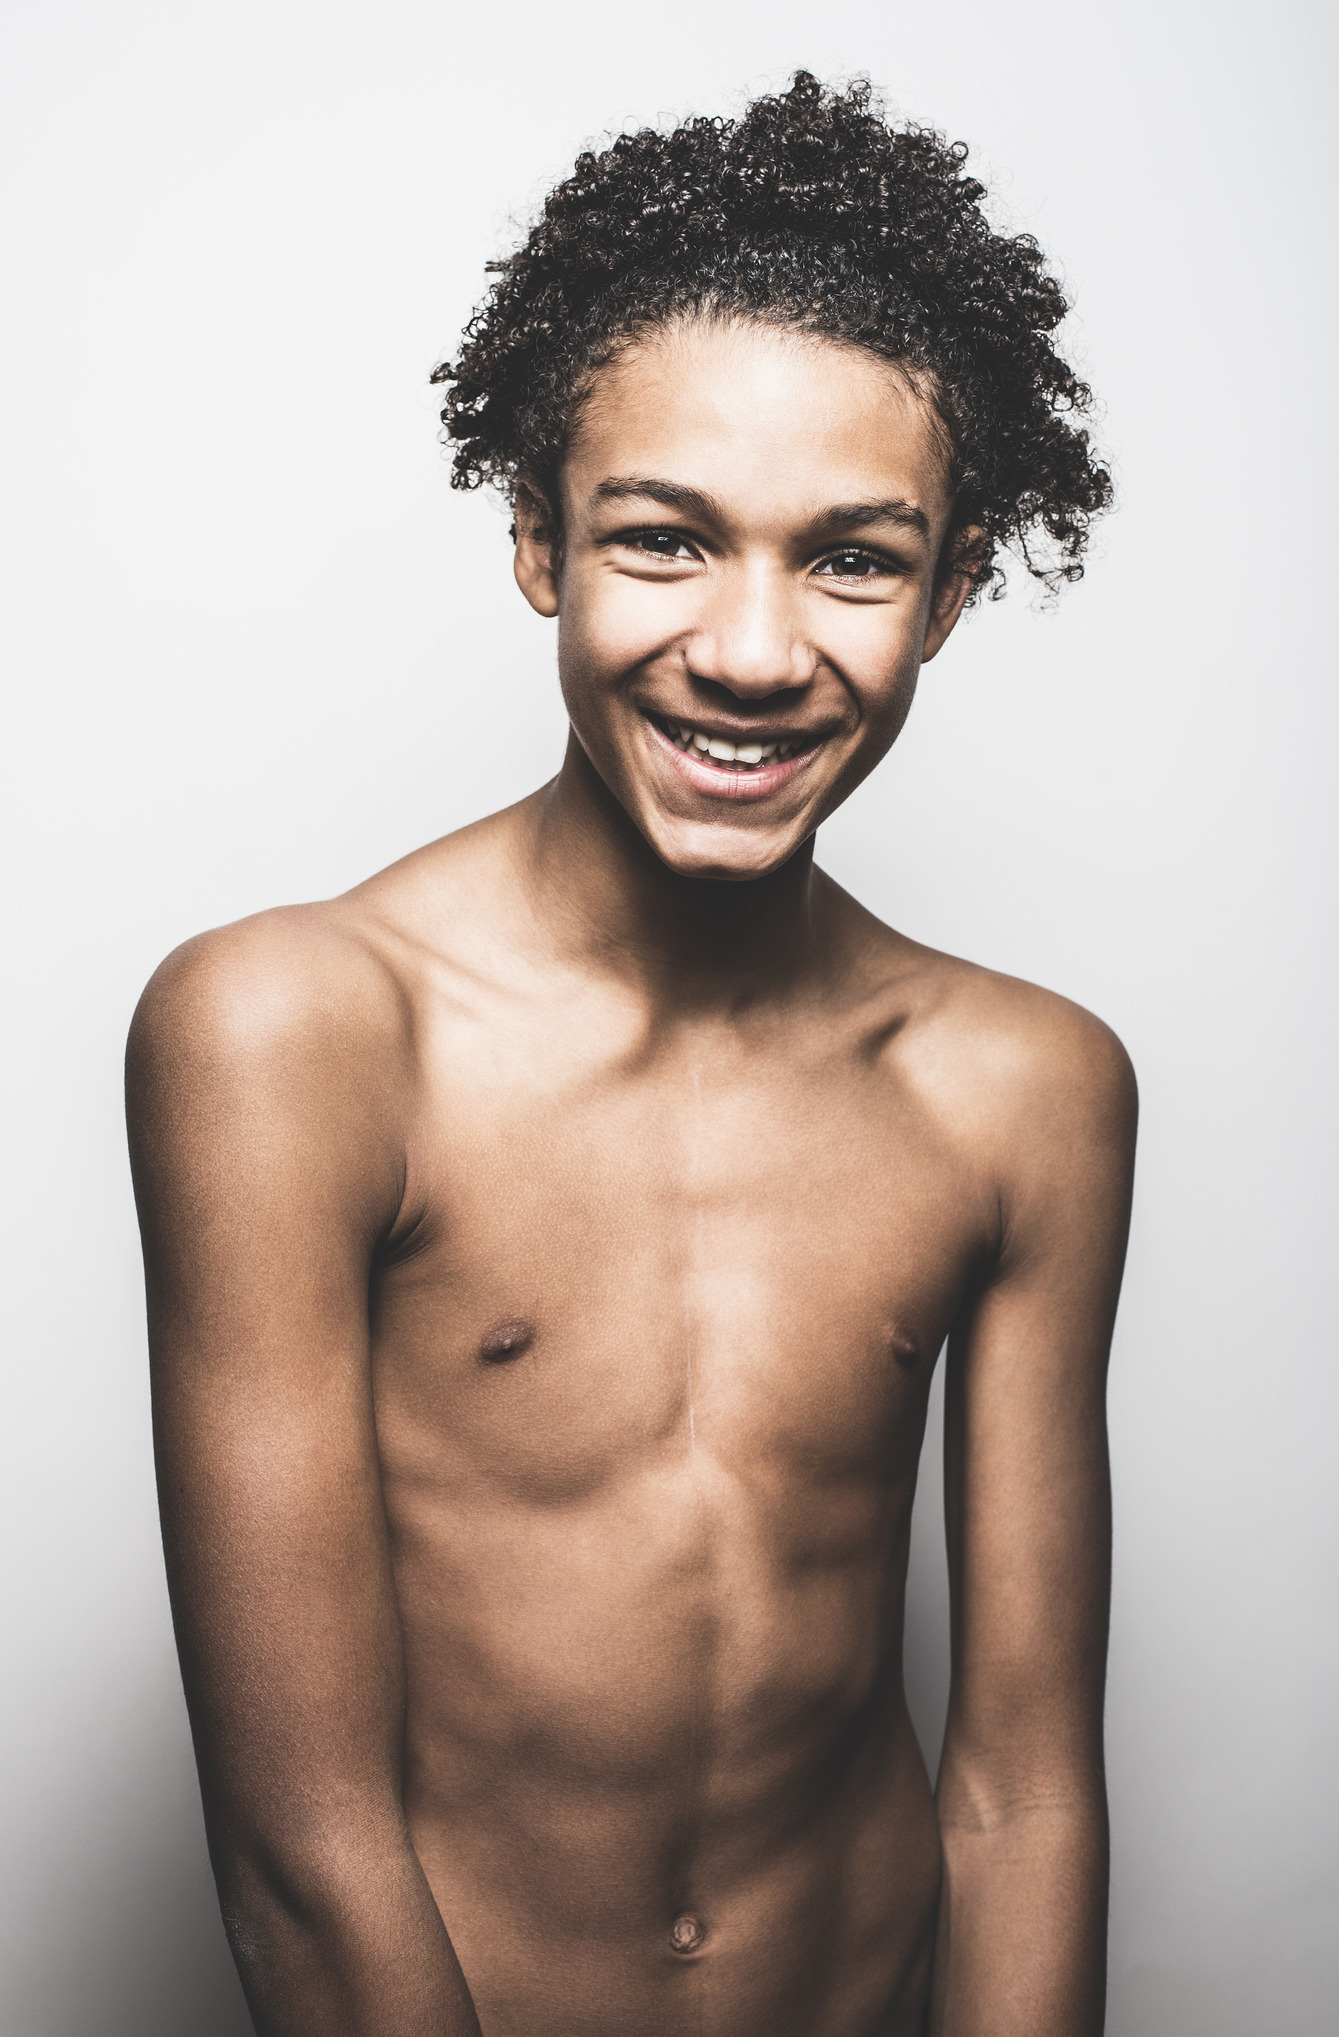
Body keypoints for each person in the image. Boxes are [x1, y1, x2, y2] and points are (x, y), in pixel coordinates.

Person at [126, 72, 1134, 2037]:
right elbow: (305, 1851)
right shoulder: (299, 1035)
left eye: (854, 559)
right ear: (536, 536)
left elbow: (1023, 1795)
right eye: (664, 539)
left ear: (950, 586)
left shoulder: (1026, 1090)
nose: (751, 650)